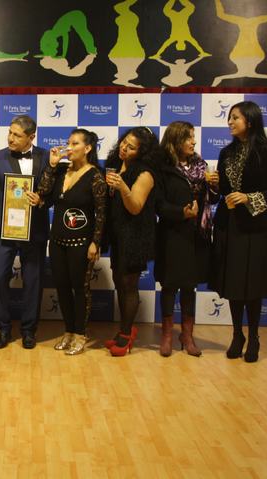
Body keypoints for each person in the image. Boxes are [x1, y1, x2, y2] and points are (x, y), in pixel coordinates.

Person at [209, 101, 267, 363]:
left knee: (252, 284)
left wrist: (249, 198)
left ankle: (253, 337)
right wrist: (216, 184)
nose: (230, 122)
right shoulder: (226, 152)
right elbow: (223, 192)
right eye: (229, 118)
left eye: (235, 118)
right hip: (230, 225)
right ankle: (237, 335)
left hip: (256, 227)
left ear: (250, 121)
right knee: (233, 282)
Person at [0, 114, 50, 350]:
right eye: (10, 132)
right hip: (4, 230)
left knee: (33, 281)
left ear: (31, 137)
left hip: (35, 230)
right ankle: (2, 329)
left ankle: (29, 331)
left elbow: (53, 192)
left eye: (17, 135)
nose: (10, 138)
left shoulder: (46, 157)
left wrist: (42, 199)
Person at [37, 129, 106, 355]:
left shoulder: (95, 176)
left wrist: (95, 242)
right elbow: (43, 193)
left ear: (87, 148)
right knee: (62, 288)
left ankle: (80, 334)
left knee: (80, 288)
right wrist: (52, 165)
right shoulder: (61, 170)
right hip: (57, 240)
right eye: (68, 142)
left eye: (75, 143)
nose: (69, 147)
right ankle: (68, 331)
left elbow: (101, 212)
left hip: (82, 242)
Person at [155, 121, 218, 357]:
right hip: (172, 234)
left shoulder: (201, 165)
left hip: (196, 235)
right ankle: (167, 335)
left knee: (190, 286)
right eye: (188, 137)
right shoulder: (162, 168)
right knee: (169, 285)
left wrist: (215, 187)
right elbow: (159, 205)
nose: (194, 142)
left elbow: (212, 201)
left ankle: (187, 335)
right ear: (175, 140)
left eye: (193, 137)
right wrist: (181, 213)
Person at [104, 127, 159, 356]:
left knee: (129, 284)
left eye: (132, 147)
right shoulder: (115, 164)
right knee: (119, 280)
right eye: (124, 142)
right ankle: (123, 330)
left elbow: (135, 207)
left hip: (135, 234)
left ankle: (126, 335)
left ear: (142, 152)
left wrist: (122, 187)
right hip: (117, 232)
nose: (124, 148)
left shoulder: (145, 173)